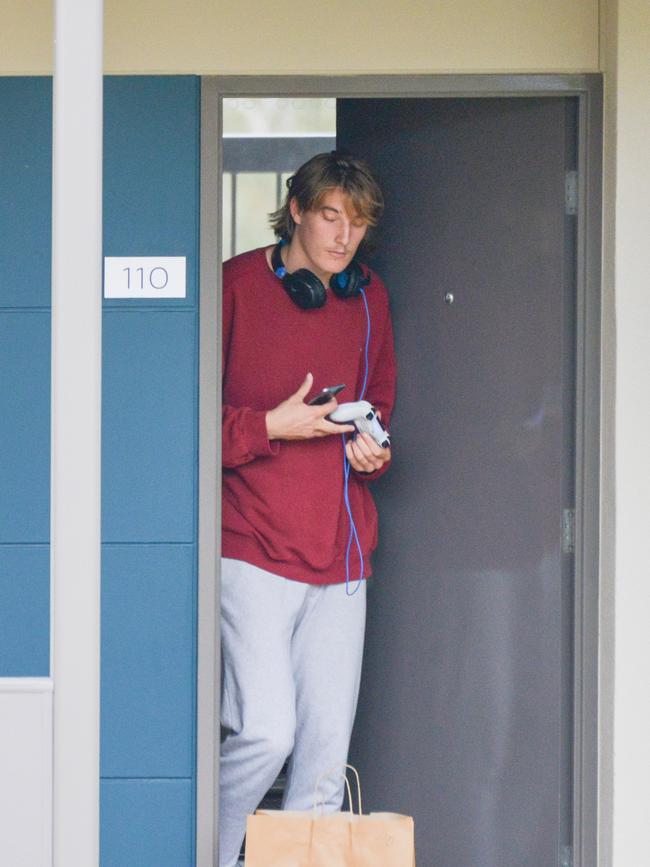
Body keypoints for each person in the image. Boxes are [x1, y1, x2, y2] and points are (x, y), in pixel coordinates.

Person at [219, 152, 396, 867]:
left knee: (323, 766)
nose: (342, 235)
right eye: (329, 215)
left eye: (355, 222)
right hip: (251, 542)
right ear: (296, 210)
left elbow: (380, 399)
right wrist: (269, 427)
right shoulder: (232, 285)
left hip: (342, 552)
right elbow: (182, 420)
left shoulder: (369, 298)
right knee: (266, 732)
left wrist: (372, 446)